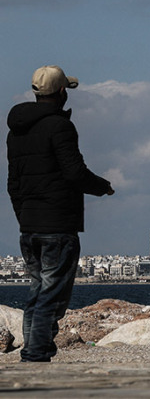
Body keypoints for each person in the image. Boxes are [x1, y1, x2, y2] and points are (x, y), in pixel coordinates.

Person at [7, 65, 115, 362]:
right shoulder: (60, 126)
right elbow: (74, 172)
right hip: (57, 224)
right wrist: (103, 187)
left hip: (29, 225)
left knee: (37, 291)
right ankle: (36, 352)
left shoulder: (15, 131)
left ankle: (32, 350)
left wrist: (24, 215)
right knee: (52, 295)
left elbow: (13, 183)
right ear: (61, 92)